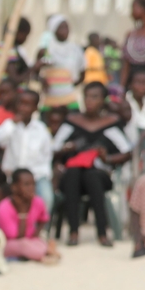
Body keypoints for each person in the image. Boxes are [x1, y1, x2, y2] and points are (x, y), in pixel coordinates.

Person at [53, 82, 133, 247]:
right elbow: (54, 149)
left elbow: (127, 152)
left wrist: (107, 159)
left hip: (100, 175)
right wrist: (67, 148)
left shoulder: (111, 123)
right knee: (73, 173)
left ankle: (102, 233)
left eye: (94, 97)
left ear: (103, 100)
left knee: (92, 176)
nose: (89, 101)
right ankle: (73, 231)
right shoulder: (72, 121)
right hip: (72, 177)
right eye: (87, 96)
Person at [0, 89, 55, 210]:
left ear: (35, 108)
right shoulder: (10, 125)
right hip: (12, 177)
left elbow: (47, 155)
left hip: (36, 177)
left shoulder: (41, 129)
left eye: (27, 105)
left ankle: (42, 222)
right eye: (20, 103)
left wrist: (44, 176)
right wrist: (13, 123)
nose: (23, 108)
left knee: (47, 198)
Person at [0, 169, 59, 263]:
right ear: (14, 187)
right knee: (23, 244)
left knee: (38, 242)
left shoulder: (37, 201)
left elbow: (44, 219)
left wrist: (35, 234)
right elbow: (18, 237)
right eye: (26, 184)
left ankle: (43, 252)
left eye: (33, 184)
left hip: (30, 240)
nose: (31, 188)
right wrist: (22, 213)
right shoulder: (4, 207)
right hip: (9, 243)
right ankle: (45, 254)